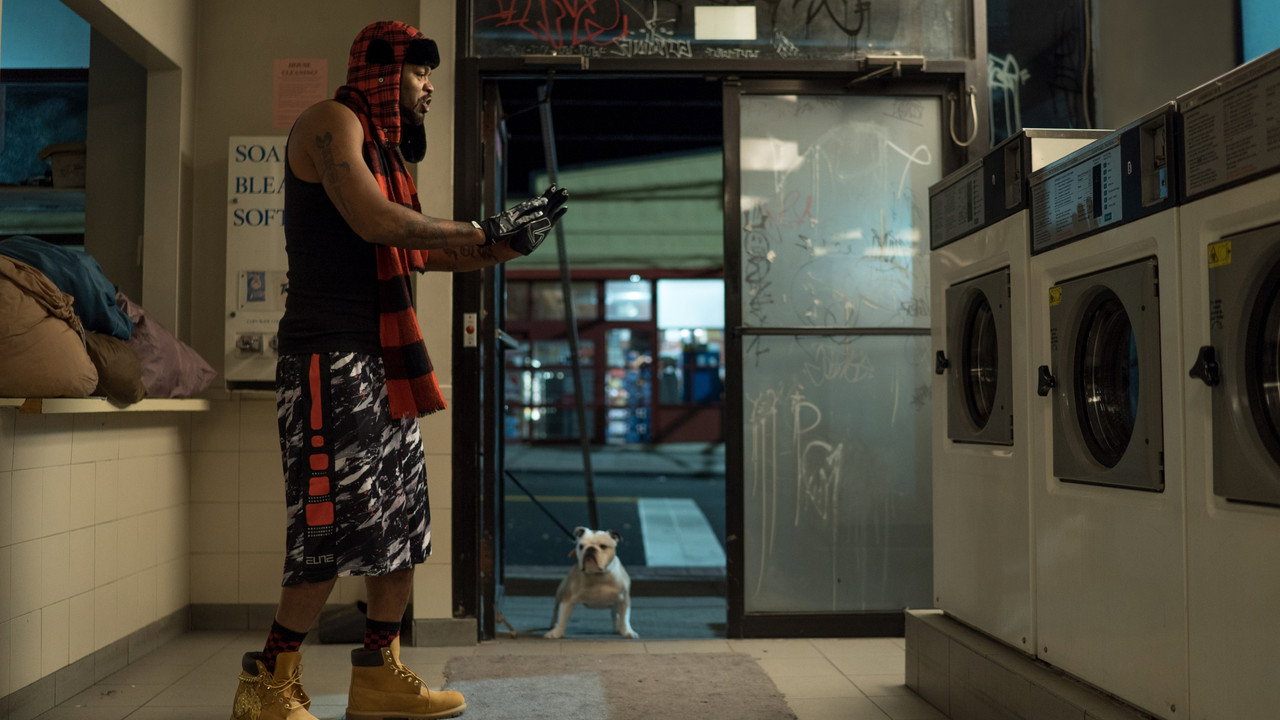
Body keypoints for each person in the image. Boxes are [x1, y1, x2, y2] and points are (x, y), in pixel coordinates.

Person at [229, 20, 568, 720]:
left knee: (402, 526)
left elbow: (423, 251)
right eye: (419, 72)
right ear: (383, 71)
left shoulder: (385, 154)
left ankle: (379, 676)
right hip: (328, 358)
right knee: (325, 525)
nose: (429, 86)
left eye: (430, 73)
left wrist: (508, 245)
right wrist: (484, 229)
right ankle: (267, 684)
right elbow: (378, 223)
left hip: (382, 362)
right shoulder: (330, 123)